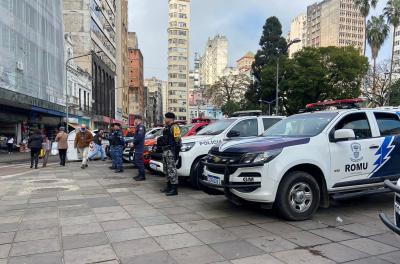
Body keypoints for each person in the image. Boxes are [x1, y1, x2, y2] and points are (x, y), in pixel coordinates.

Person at [159, 112, 181, 196]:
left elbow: (178, 141)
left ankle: (174, 189)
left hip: (171, 151)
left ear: (170, 119)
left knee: (172, 170)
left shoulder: (175, 127)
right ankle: (168, 187)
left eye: (166, 118)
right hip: (166, 151)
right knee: (167, 170)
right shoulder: (167, 127)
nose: (165, 119)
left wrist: (175, 153)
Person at [133, 115, 146, 181]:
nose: (135, 121)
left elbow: (139, 137)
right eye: (135, 120)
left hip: (140, 147)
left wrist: (133, 142)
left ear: (139, 120)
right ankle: (140, 174)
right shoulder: (138, 127)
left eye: (136, 120)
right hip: (138, 147)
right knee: (137, 161)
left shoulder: (141, 127)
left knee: (139, 161)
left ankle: (142, 175)